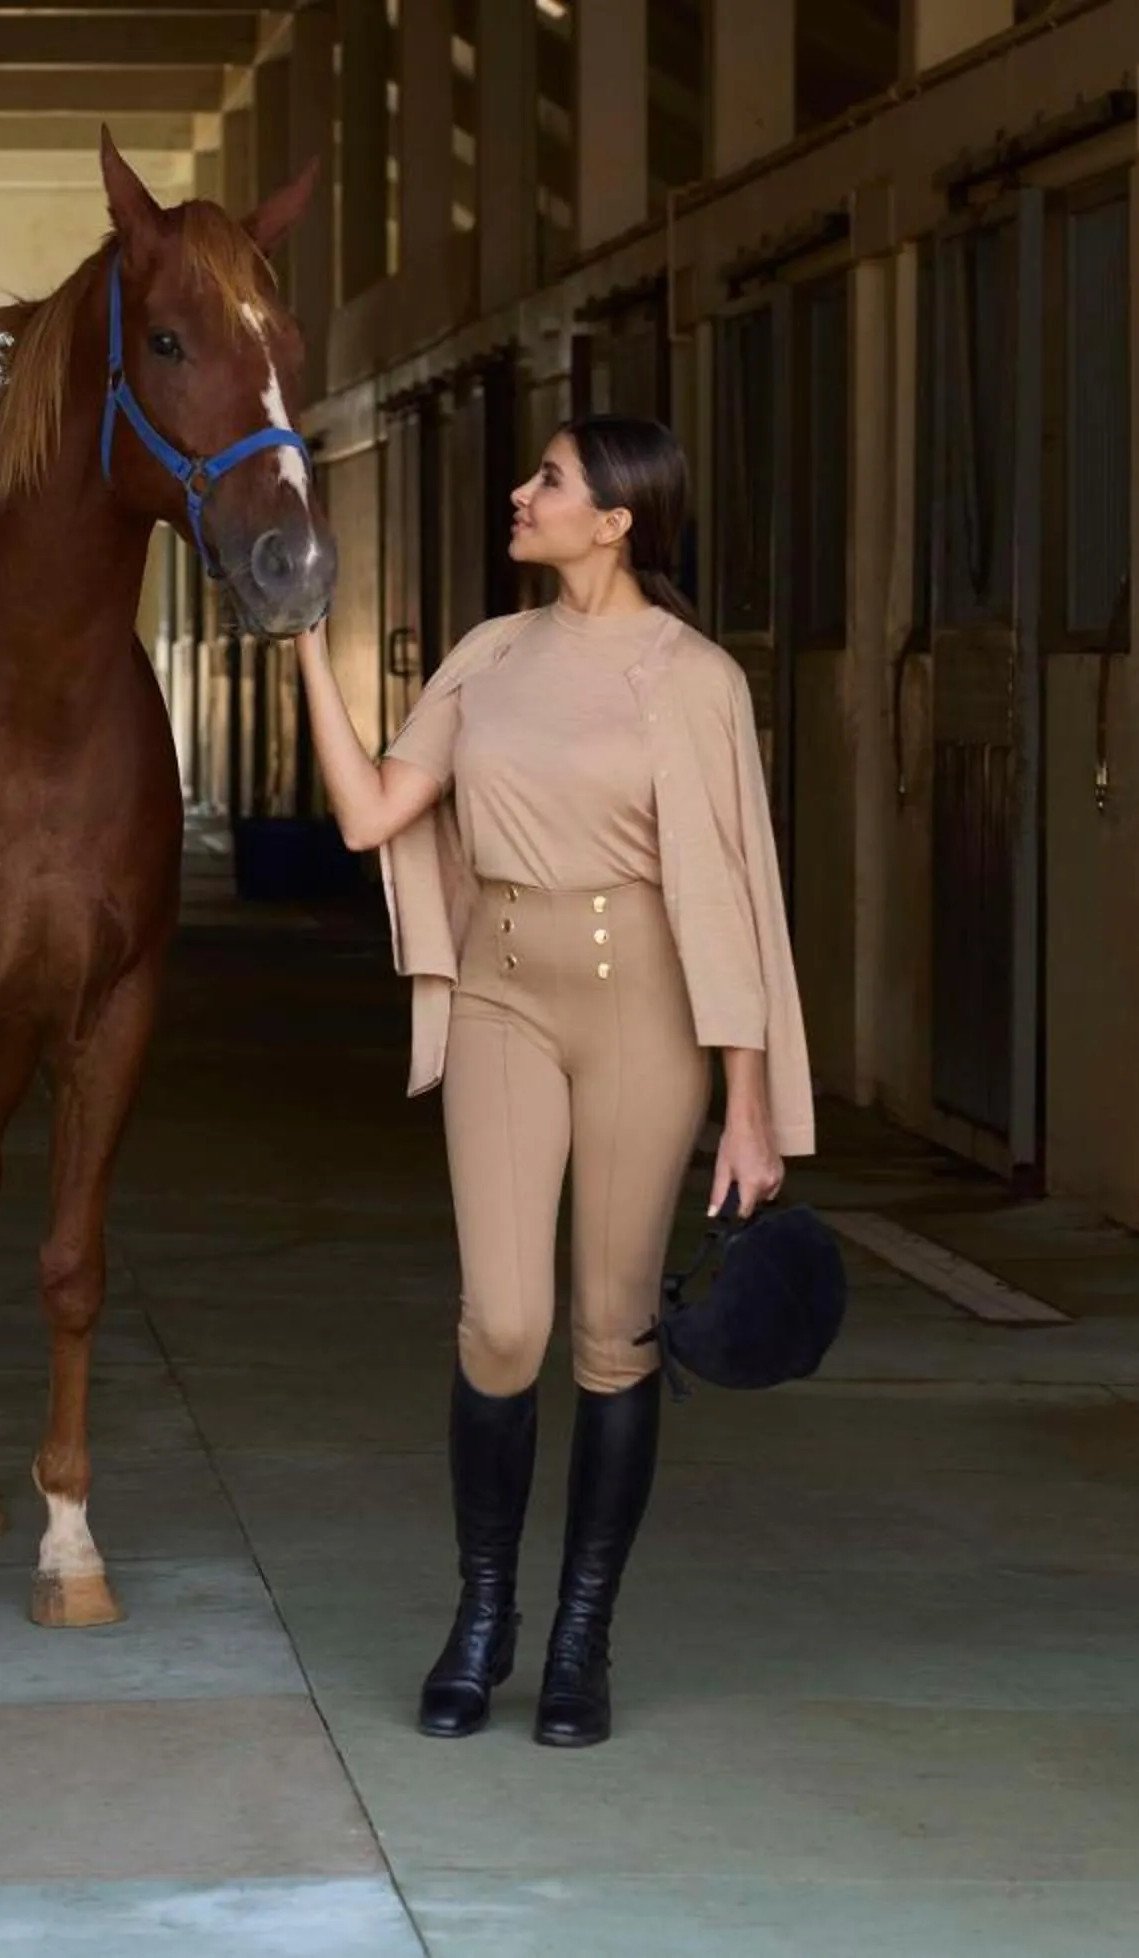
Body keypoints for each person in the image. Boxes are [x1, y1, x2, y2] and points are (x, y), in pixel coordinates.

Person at [292, 415, 815, 1748]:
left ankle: (581, 1635)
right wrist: (301, 638)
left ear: (618, 518)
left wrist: (749, 1103)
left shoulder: (691, 679)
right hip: (502, 993)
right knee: (505, 1321)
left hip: (648, 1004)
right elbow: (368, 814)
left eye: (550, 480)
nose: (522, 495)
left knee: (611, 1329)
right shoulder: (487, 654)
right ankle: (483, 1618)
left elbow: (732, 893)